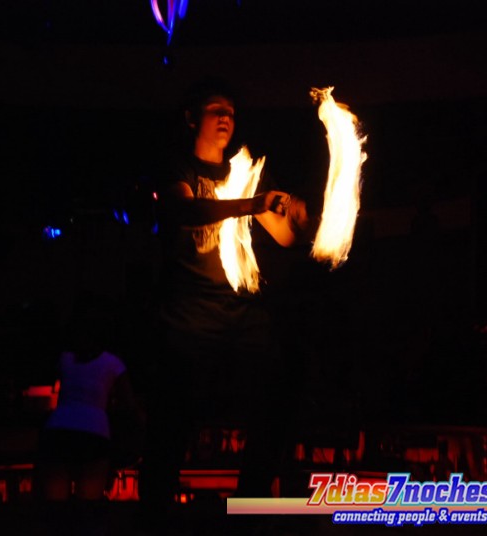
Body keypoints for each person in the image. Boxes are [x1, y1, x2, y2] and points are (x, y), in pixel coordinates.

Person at [137, 77, 310, 534]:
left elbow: (284, 236)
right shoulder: (176, 166)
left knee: (275, 399)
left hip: (242, 313)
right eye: (216, 109)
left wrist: (297, 217)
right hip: (188, 312)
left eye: (231, 111)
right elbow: (185, 212)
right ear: (191, 118)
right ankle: (154, 515)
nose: (226, 117)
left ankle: (250, 507)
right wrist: (251, 203)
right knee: (173, 418)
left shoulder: (246, 169)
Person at [36, 293, 141, 536]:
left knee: (55, 509)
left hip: (58, 430)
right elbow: (129, 405)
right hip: (94, 432)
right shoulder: (113, 363)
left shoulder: (64, 358)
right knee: (89, 508)